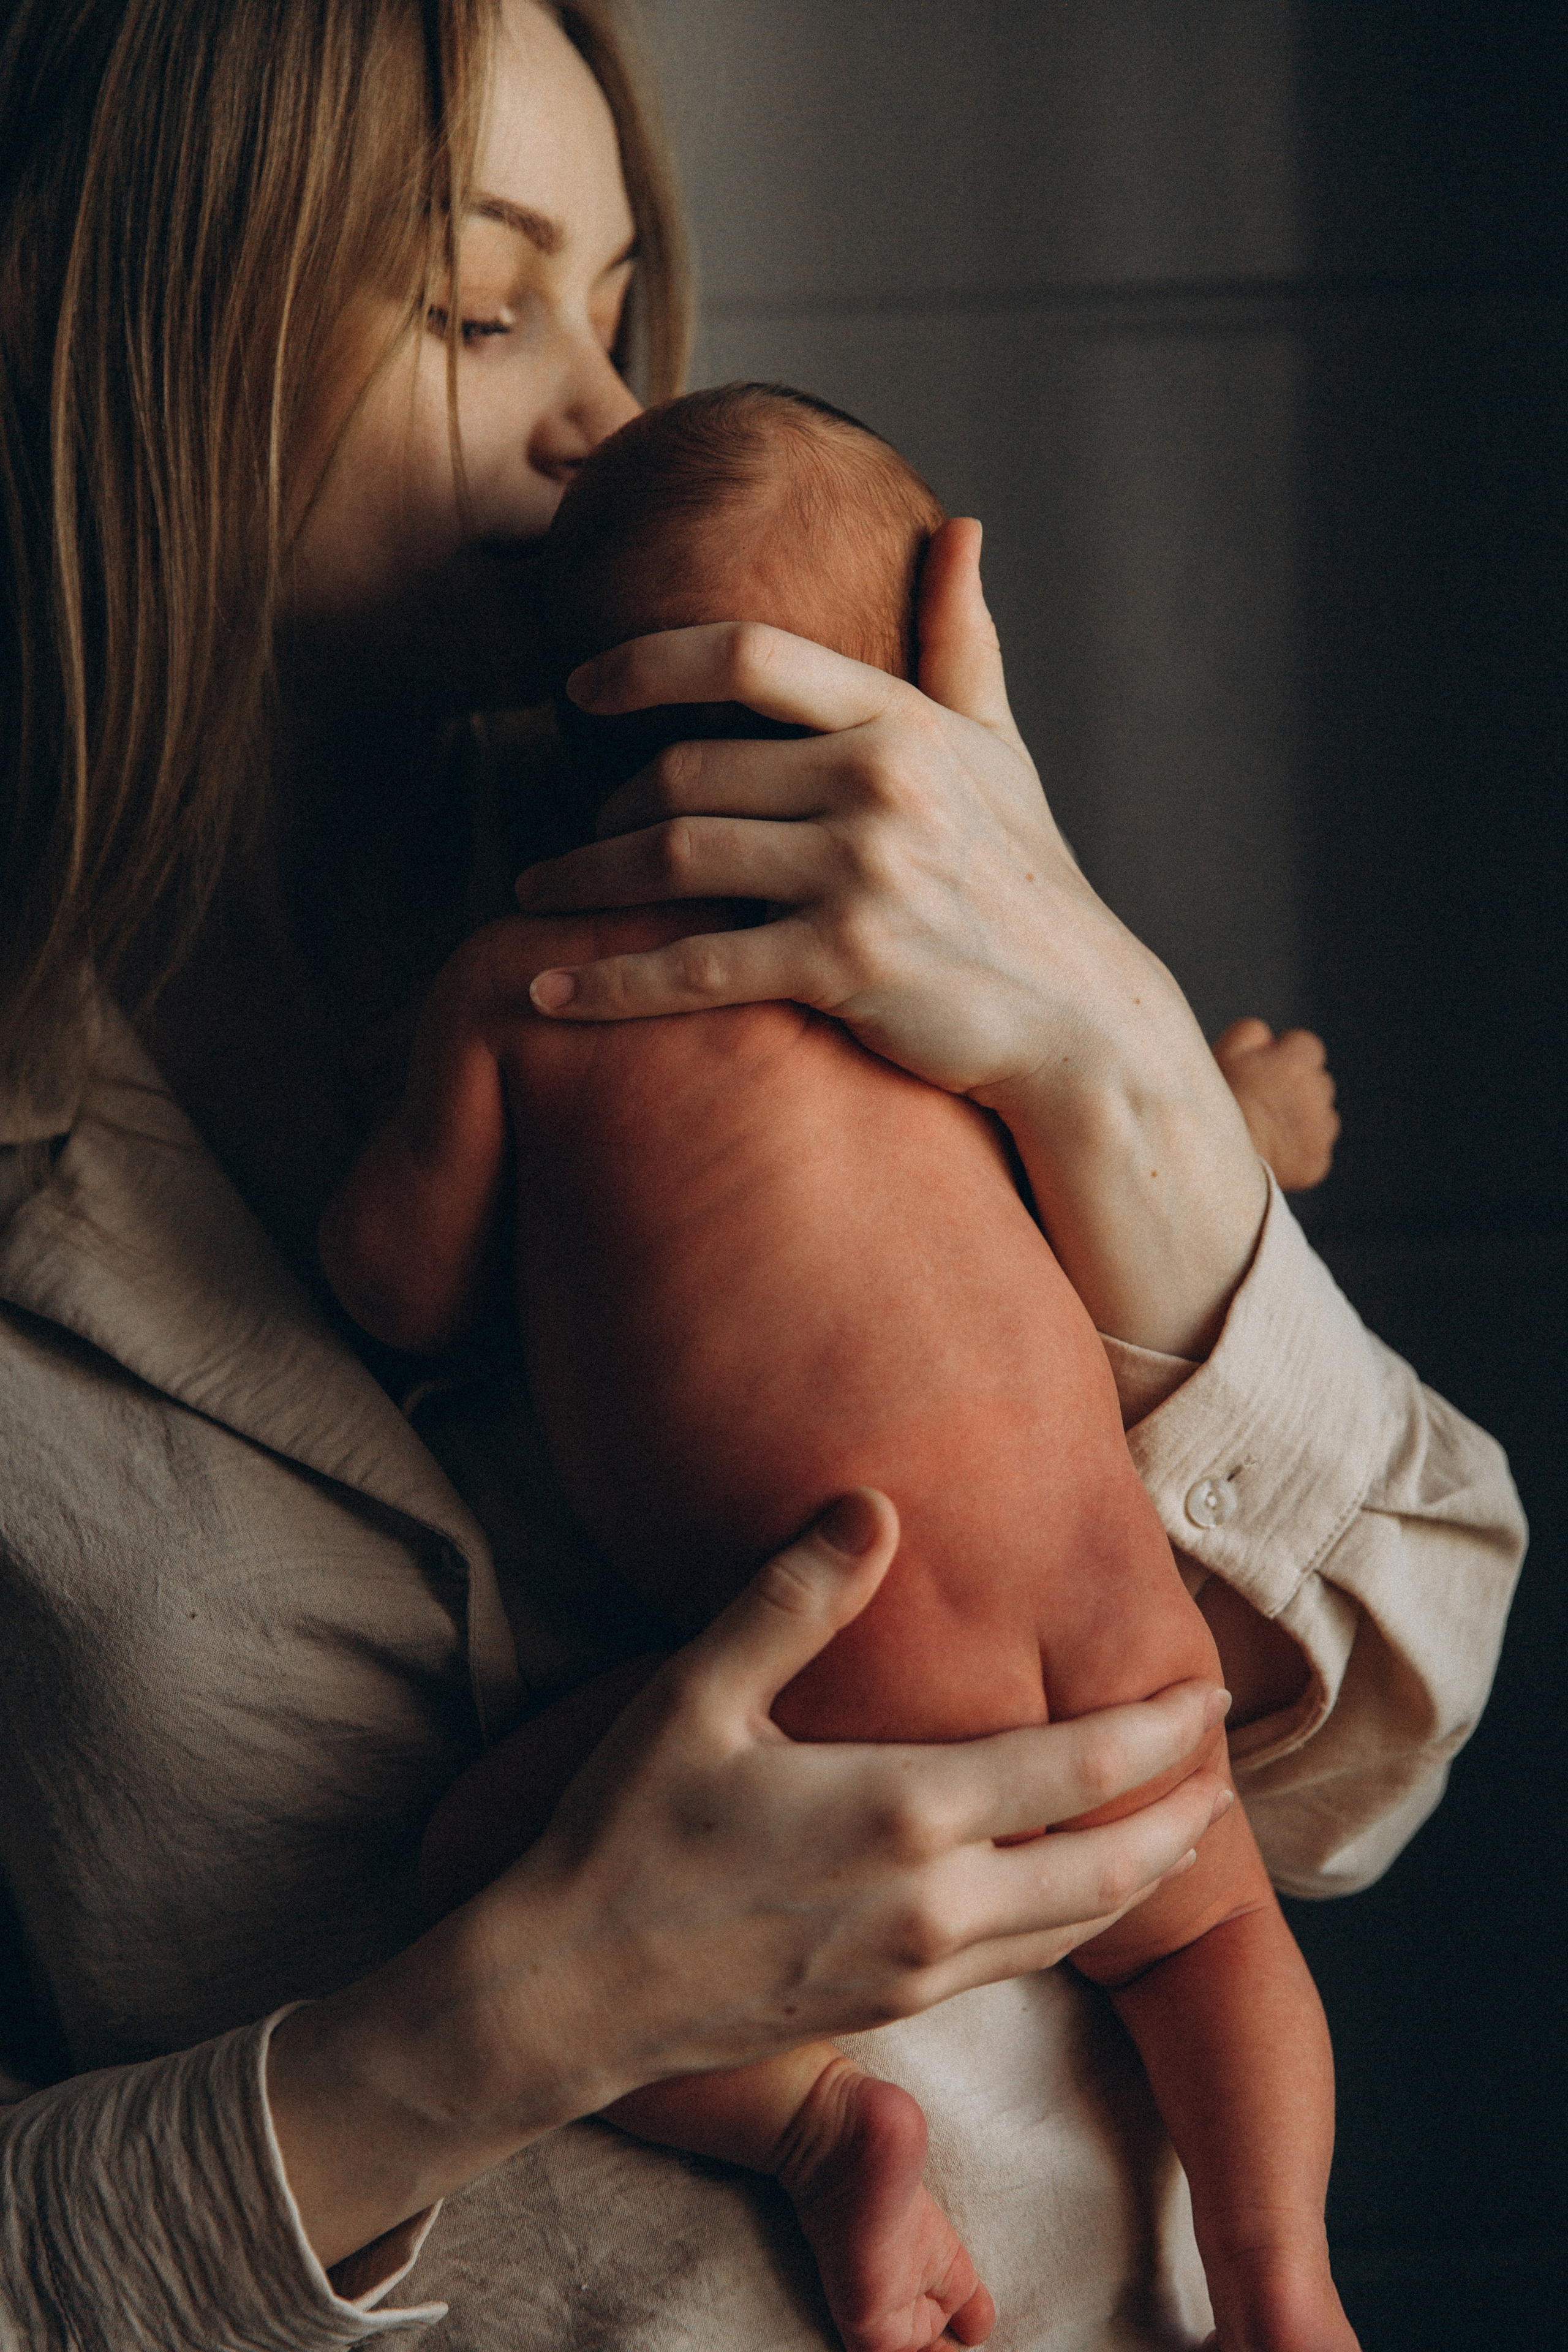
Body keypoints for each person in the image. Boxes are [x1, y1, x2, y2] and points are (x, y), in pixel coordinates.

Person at [0, 4, 1524, 2348]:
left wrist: (1117, 1056)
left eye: (619, 310)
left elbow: (1384, 1742)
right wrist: (492, 2027)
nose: (606, 416)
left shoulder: (815, 914)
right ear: (75, 313)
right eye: (482, 307)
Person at [323, 383, 1354, 2352]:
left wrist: (408, 1096)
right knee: (1216, 1932)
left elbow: (395, 1291)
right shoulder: (935, 976)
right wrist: (1238, 1123)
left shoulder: (530, 981)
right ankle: (1282, 2280)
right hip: (1131, 1640)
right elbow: (1055, 1215)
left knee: (479, 1874)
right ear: (924, 680)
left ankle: (826, 2137)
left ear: (559, 719)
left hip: (849, 1674)